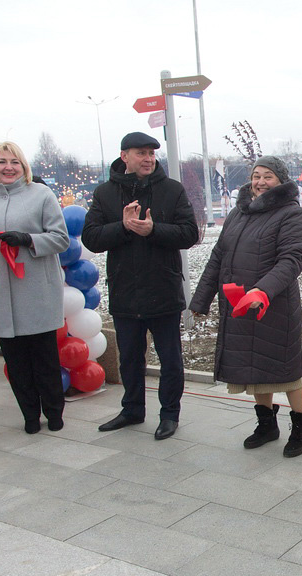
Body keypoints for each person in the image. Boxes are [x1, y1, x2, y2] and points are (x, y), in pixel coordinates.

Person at [190, 156, 302, 455]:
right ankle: (267, 425)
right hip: (239, 305)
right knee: (253, 369)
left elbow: (291, 260)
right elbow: (218, 257)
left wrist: (262, 290)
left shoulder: (292, 215)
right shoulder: (238, 213)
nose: (259, 182)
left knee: (286, 371)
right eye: (256, 175)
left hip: (275, 306)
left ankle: (300, 428)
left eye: (267, 176)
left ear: (280, 180)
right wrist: (201, 299)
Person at [82, 132, 198, 441]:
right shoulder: (105, 193)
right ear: (125, 157)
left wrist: (153, 229)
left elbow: (189, 233)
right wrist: (122, 227)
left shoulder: (171, 190)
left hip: (163, 289)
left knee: (170, 358)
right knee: (129, 357)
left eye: (151, 153)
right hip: (125, 291)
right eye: (141, 153)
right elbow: (91, 238)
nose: (148, 158)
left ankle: (169, 414)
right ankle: (132, 409)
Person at [0, 142, 69, 433]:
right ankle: (29, 416)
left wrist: (28, 240)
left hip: (37, 291)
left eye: (14, 162)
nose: (8, 167)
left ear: (23, 166)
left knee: (45, 360)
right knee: (17, 363)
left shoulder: (40, 194)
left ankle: (54, 412)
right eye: (2, 161)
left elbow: (60, 238)